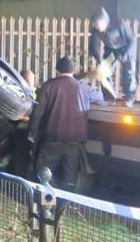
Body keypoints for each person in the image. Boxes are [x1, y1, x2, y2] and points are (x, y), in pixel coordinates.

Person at [28, 56, 103, 191]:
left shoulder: (48, 87)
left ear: (57, 70)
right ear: (73, 72)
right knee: (69, 177)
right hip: (74, 141)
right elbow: (99, 97)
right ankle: (63, 203)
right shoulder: (83, 88)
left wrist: (32, 134)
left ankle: (47, 203)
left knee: (45, 175)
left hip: (51, 140)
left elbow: (37, 113)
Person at [90, 7, 137, 108]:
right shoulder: (96, 29)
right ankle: (109, 98)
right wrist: (99, 61)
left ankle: (129, 98)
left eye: (97, 25)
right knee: (104, 72)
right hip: (110, 49)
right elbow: (94, 46)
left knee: (128, 72)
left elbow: (132, 39)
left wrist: (126, 54)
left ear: (103, 22)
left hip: (125, 48)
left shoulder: (119, 24)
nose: (96, 27)